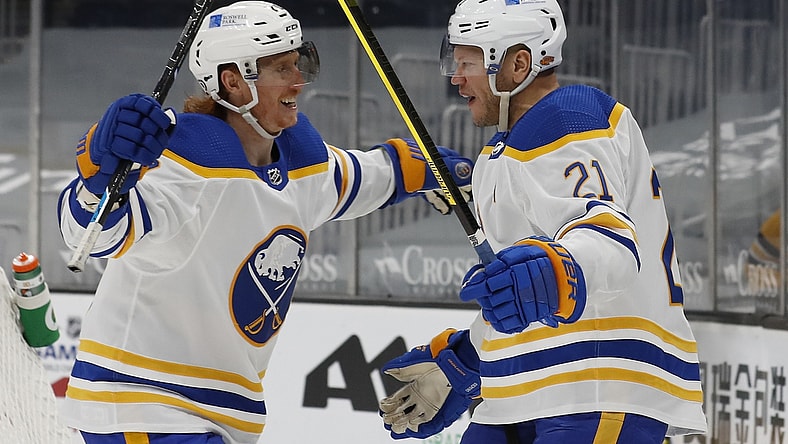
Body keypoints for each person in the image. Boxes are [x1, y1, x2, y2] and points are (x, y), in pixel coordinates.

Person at [56, 2, 472, 443]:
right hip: (143, 406)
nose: (298, 82)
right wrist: (101, 173)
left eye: (299, 64)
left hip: (214, 418)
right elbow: (89, 234)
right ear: (232, 81)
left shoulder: (299, 161)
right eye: (280, 69)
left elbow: (367, 175)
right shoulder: (181, 162)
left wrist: (438, 170)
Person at [377, 0, 708, 443]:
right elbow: (530, 290)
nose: (455, 78)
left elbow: (608, 243)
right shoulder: (502, 153)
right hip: (520, 389)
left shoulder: (569, 118)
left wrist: (554, 269)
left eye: (468, 62)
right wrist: (468, 361)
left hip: (597, 381)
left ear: (518, 62)